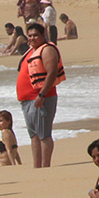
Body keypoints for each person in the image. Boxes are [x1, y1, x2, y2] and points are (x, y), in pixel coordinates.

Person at [18, 22, 65, 168]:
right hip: (27, 99)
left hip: (40, 97)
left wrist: (42, 95)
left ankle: (45, 167)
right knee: (34, 135)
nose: (32, 38)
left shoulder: (47, 49)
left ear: (43, 36)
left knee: (44, 134)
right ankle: (37, 166)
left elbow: (51, 73)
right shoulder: (31, 50)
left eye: (35, 35)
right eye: (30, 35)